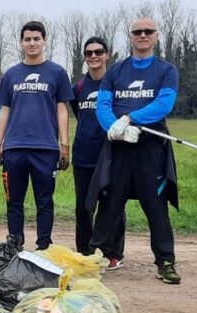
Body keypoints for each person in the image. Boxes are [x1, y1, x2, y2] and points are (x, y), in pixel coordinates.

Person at [90, 17, 182, 284]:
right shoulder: (115, 72)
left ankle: (165, 261)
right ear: (130, 36)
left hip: (151, 147)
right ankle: (98, 256)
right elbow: (103, 106)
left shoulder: (167, 70)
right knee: (109, 203)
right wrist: (114, 127)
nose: (143, 35)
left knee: (156, 205)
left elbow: (164, 104)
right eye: (137, 32)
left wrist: (130, 119)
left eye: (148, 32)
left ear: (155, 36)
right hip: (119, 145)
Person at [0, 20, 73, 251]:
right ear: (21, 43)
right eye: (27, 39)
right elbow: (4, 110)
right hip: (14, 148)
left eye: (36, 38)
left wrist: (64, 145)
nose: (32, 43)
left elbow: (61, 110)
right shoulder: (11, 74)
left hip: (46, 149)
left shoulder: (57, 73)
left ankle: (43, 246)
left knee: (44, 201)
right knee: (14, 201)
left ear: (44, 41)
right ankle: (15, 244)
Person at [70, 36, 125, 266]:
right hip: (83, 154)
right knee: (84, 207)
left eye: (98, 52)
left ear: (107, 55)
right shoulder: (79, 87)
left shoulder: (116, 85)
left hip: (112, 155)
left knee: (112, 206)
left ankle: (112, 254)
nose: (94, 56)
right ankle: (85, 253)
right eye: (89, 53)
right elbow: (76, 113)